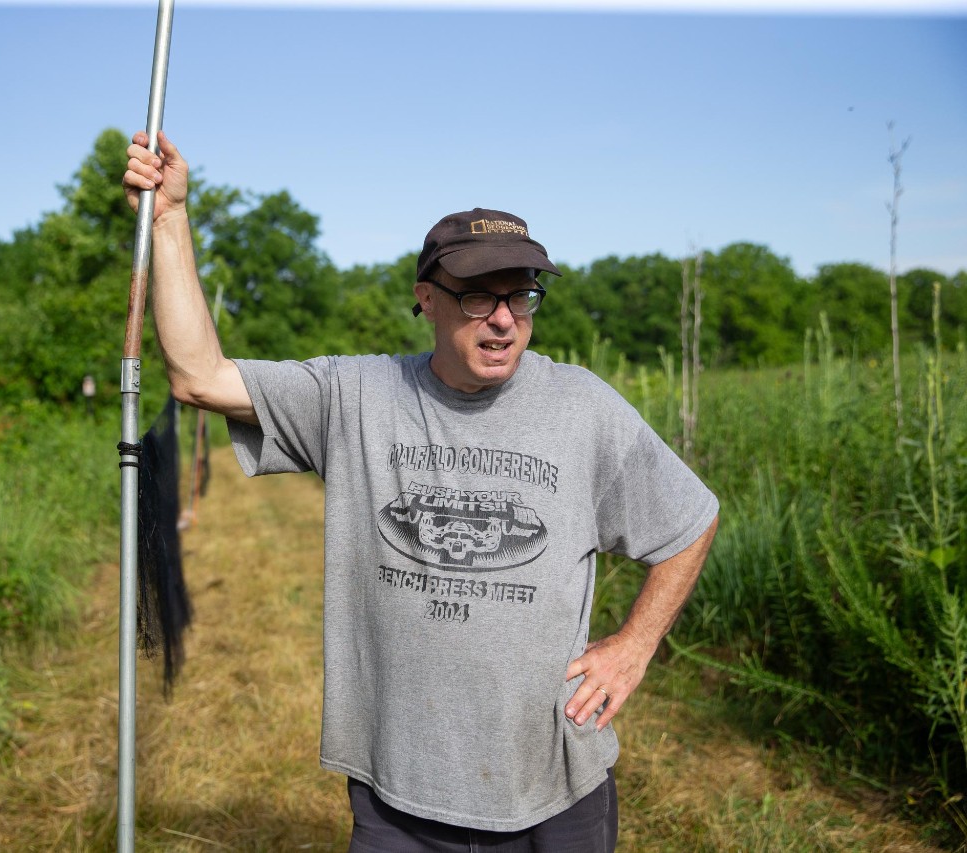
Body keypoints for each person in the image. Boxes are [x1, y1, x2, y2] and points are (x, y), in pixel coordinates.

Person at [123, 130, 719, 853]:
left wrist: (634, 644)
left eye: (522, 296)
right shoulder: (357, 395)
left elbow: (689, 519)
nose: (504, 318)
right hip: (398, 798)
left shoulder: (583, 407)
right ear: (427, 299)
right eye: (477, 297)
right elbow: (198, 374)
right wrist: (170, 218)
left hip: (552, 788)